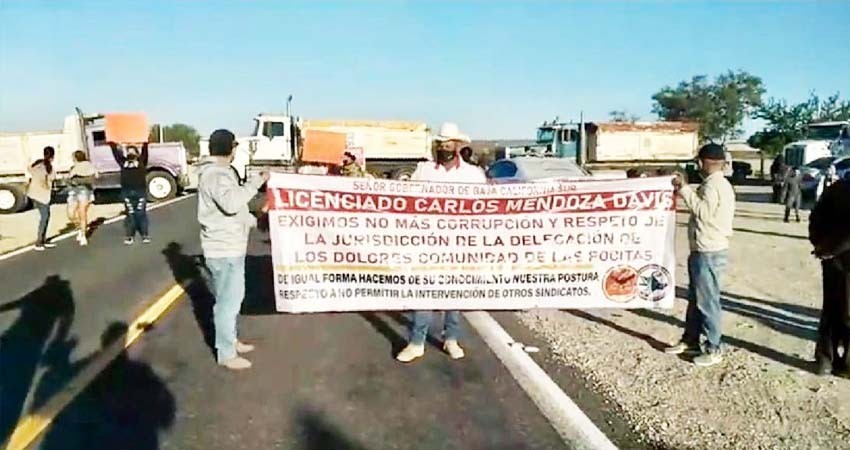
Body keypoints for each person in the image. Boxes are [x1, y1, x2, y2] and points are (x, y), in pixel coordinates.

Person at [396, 123, 487, 363]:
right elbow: (409, 202)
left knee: (453, 293)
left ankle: (451, 339)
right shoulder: (423, 171)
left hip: (459, 244)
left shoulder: (472, 175)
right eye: (440, 144)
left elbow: (484, 207)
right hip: (428, 242)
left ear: (457, 146)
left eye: (448, 144)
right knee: (423, 290)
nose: (443, 147)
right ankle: (416, 342)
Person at [197, 129, 268, 370]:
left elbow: (236, 211)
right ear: (231, 148)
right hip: (224, 249)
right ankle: (226, 353)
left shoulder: (221, 173)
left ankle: (231, 341)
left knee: (230, 300)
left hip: (229, 246)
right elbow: (231, 203)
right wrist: (256, 181)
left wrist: (256, 220)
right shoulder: (216, 175)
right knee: (229, 302)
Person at [665, 143, 735, 367]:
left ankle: (714, 347)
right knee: (695, 300)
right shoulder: (714, 184)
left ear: (704, 162)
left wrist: (685, 189)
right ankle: (691, 340)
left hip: (709, 251)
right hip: (702, 250)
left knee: (707, 302)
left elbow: (704, 213)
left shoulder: (715, 186)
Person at [808, 178, 850, 376]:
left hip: (832, 260)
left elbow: (815, 218)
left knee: (831, 310)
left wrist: (821, 247)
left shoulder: (836, 187)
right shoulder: (837, 188)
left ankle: (825, 360)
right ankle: (845, 365)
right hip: (836, 258)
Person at [109, 141, 150, 244]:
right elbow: (116, 153)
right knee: (130, 215)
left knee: (141, 214)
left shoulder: (141, 161)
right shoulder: (123, 162)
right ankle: (129, 236)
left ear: (137, 153)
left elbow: (145, 151)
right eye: (128, 151)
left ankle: (145, 235)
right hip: (127, 192)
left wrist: (146, 141)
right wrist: (112, 144)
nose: (129, 153)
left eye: (132, 151)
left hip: (140, 191)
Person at [66, 151, 98, 246]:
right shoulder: (73, 167)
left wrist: (79, 179)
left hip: (85, 190)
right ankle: (80, 227)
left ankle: (83, 235)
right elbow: (69, 178)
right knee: (70, 214)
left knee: (82, 212)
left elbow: (94, 176)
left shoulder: (88, 165)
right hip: (74, 191)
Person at [27, 146, 56, 251]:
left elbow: (29, 169)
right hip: (43, 196)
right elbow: (51, 178)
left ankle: (43, 239)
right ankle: (39, 242)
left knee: (44, 217)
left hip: (33, 193)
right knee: (45, 217)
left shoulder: (37, 164)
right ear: (52, 156)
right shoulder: (48, 167)